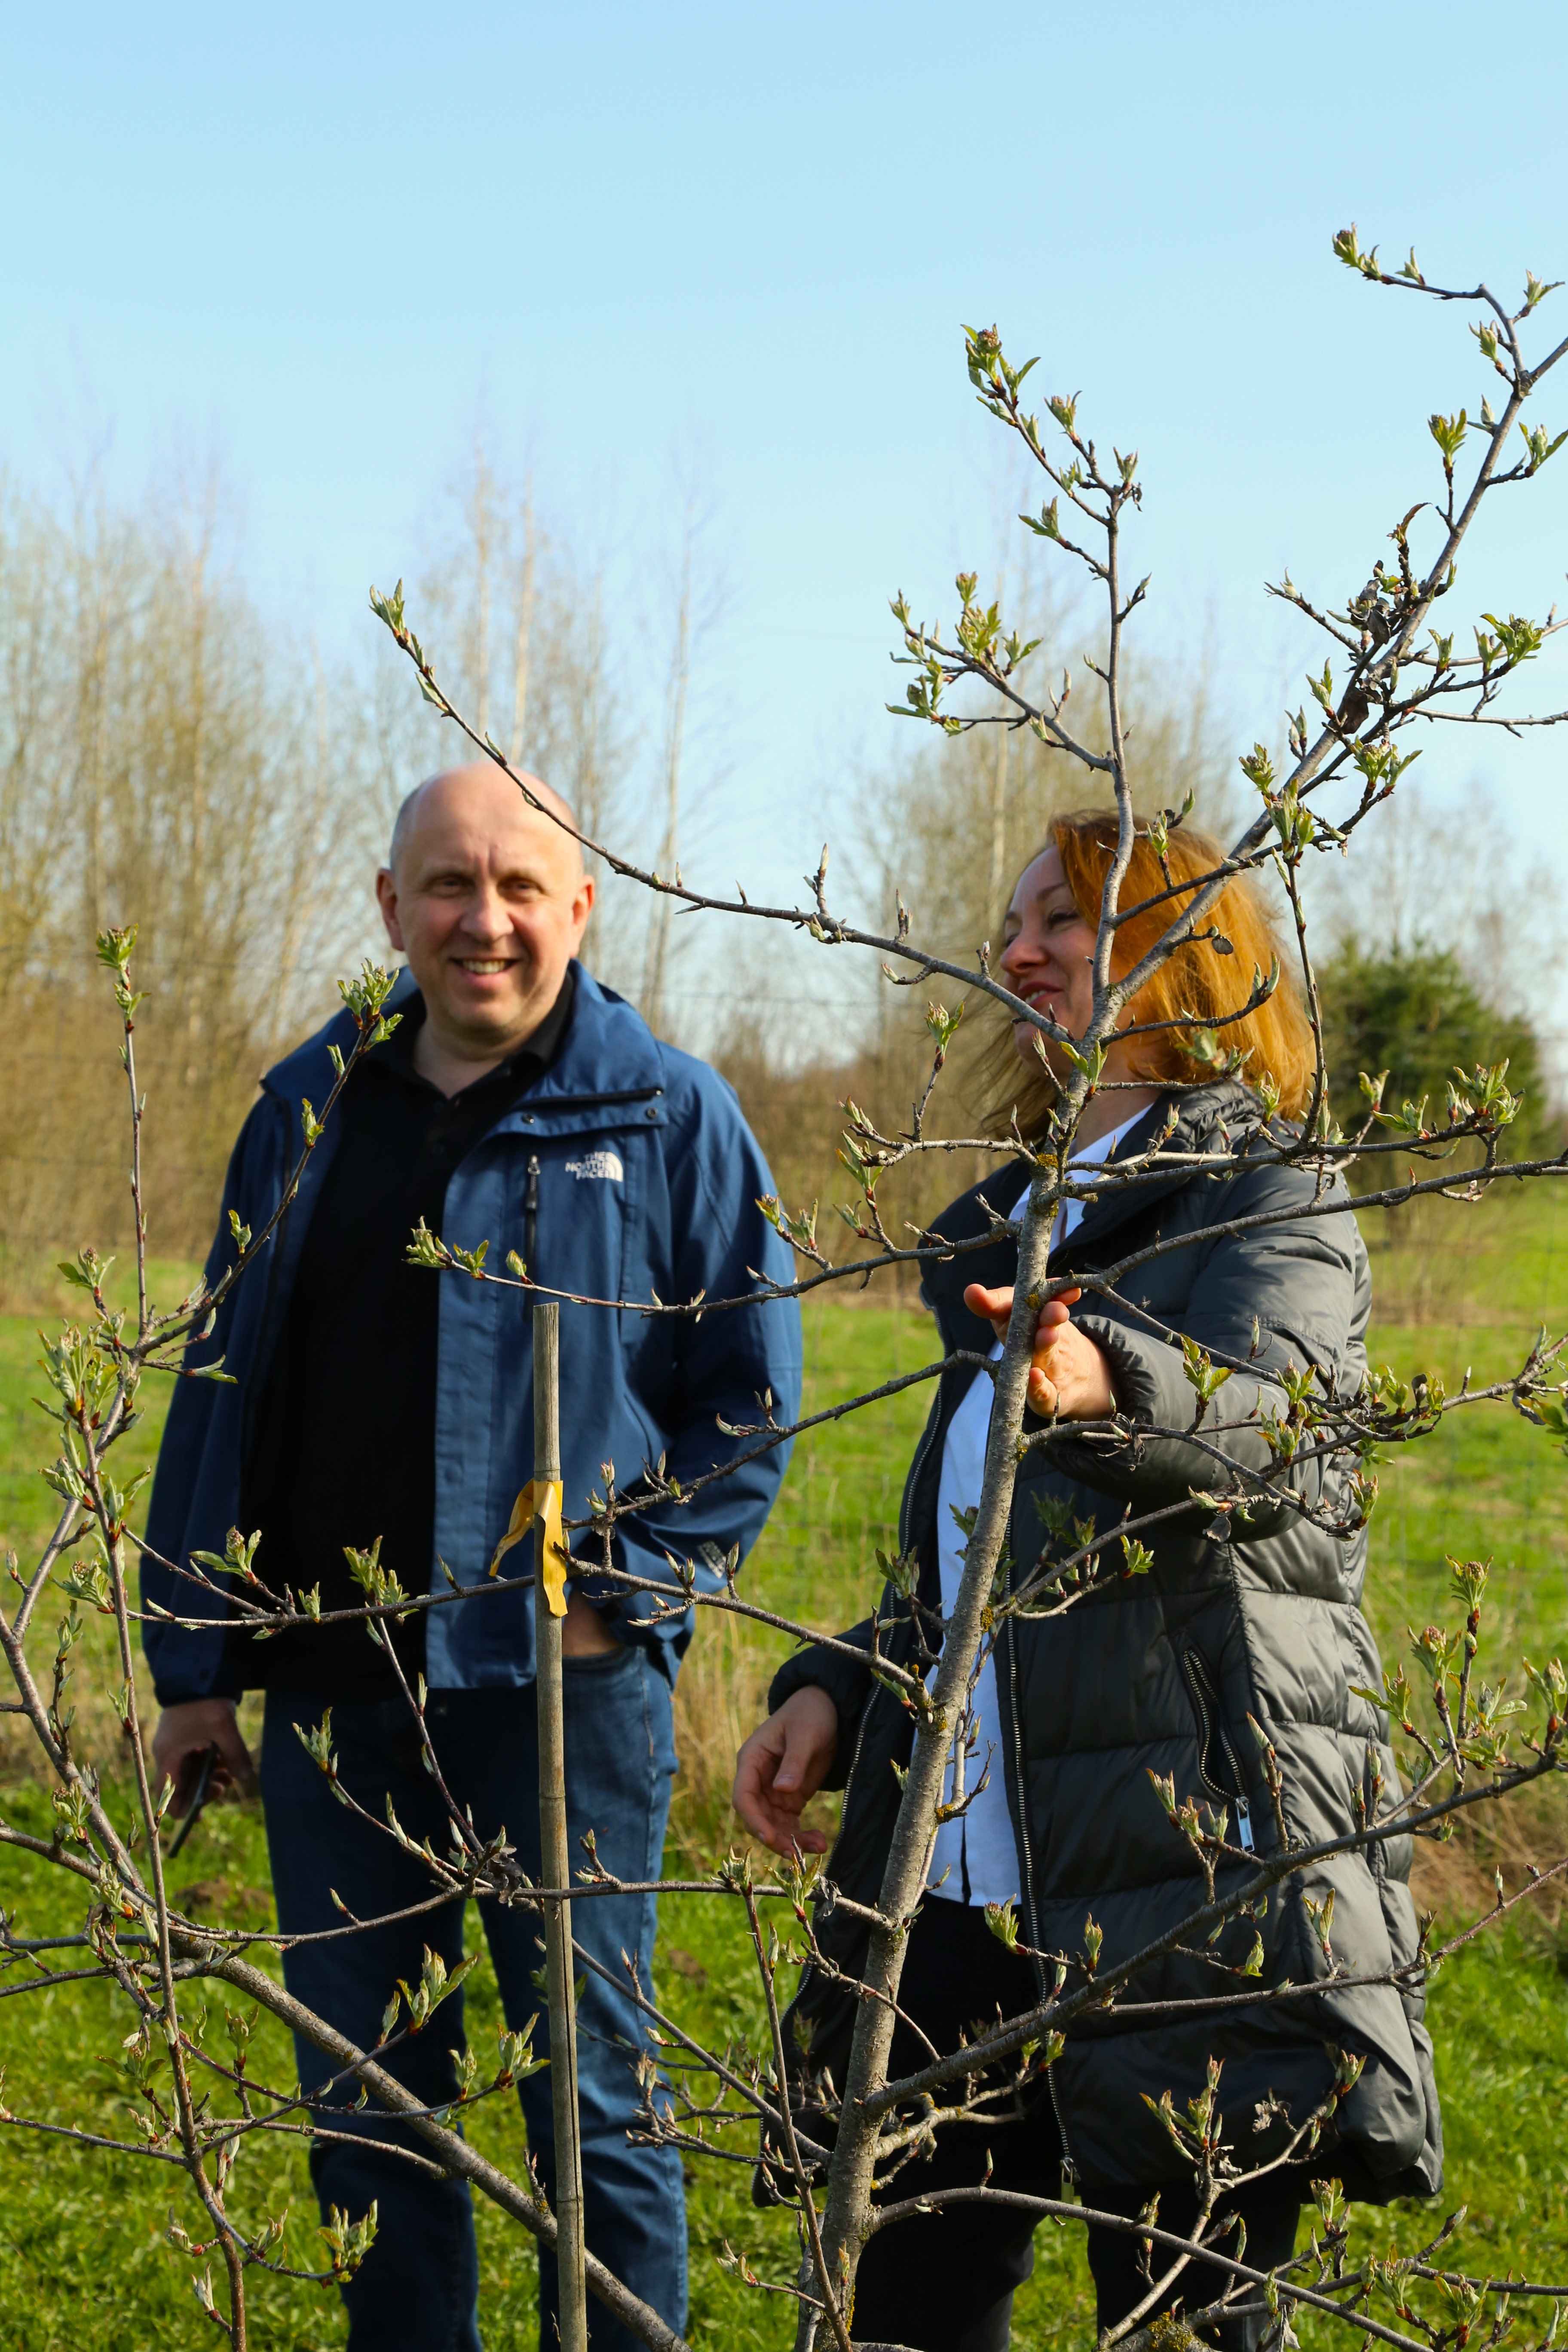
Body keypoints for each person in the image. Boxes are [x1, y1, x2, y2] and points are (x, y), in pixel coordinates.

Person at [733, 810, 1442, 2352]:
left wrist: (1110, 1379)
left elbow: (1289, 1446)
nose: (1020, 950)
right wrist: (840, 1687)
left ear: (1190, 957)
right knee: (898, 2312)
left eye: (1068, 919)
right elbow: (997, 1566)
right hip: (956, 1892)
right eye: (1016, 923)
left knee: (1190, 2326)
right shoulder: (1019, 1207)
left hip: (1175, 1887)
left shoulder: (1271, 1200)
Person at [143, 761, 803, 2352]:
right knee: (373, 2113)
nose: (483, 919)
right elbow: (222, 1387)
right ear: (391, 908)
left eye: (520, 886)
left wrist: (627, 1607)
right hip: (331, 1703)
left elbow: (751, 1404)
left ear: (581, 905)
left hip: (557, 1709)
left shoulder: (666, 1113)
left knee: (598, 2103)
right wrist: (192, 1667)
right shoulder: (304, 1109)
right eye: (447, 885)